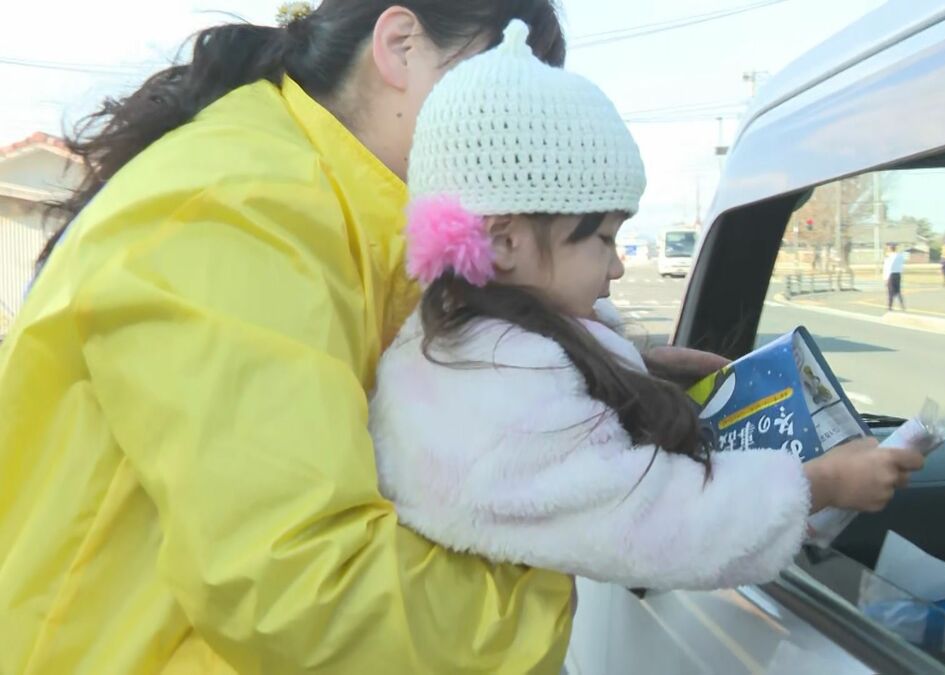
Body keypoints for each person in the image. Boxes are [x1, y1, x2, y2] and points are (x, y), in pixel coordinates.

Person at [0, 3, 664, 673]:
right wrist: (542, 589)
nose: (517, 136)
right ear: (400, 45)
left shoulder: (330, 208)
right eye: (494, 88)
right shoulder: (242, 206)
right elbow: (303, 585)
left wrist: (600, 378)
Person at [369, 22, 926, 608]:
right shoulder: (493, 393)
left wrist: (637, 370)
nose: (615, 269)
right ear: (505, 242)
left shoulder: (469, 352)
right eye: (604, 239)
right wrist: (825, 483)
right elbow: (656, 522)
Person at [883, 243, 907, 311]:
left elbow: (887, 267)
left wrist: (885, 278)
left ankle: (890, 306)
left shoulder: (888, 256)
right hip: (898, 274)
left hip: (891, 274)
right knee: (898, 291)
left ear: (890, 248)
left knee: (890, 291)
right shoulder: (900, 256)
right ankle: (902, 305)